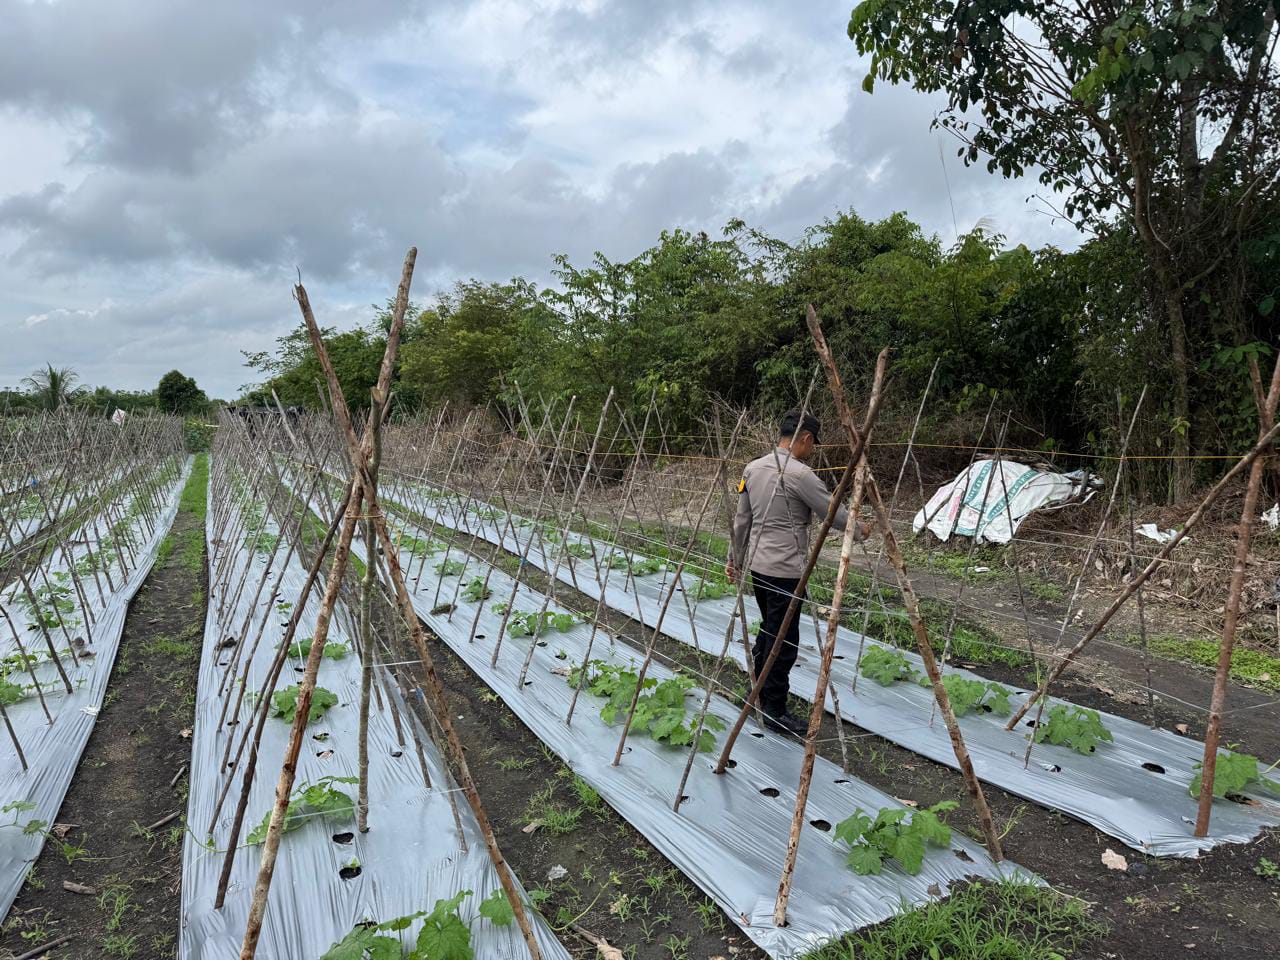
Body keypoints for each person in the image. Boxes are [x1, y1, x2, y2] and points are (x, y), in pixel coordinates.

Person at [727, 409, 870, 735]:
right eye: (812, 444)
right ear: (805, 438)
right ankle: (774, 707)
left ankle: (758, 693)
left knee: (769, 631)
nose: (812, 450)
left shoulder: (752, 468)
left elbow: (741, 522)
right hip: (786, 573)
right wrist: (861, 529)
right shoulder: (801, 475)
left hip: (759, 569)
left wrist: (734, 559)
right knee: (784, 642)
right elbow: (833, 514)